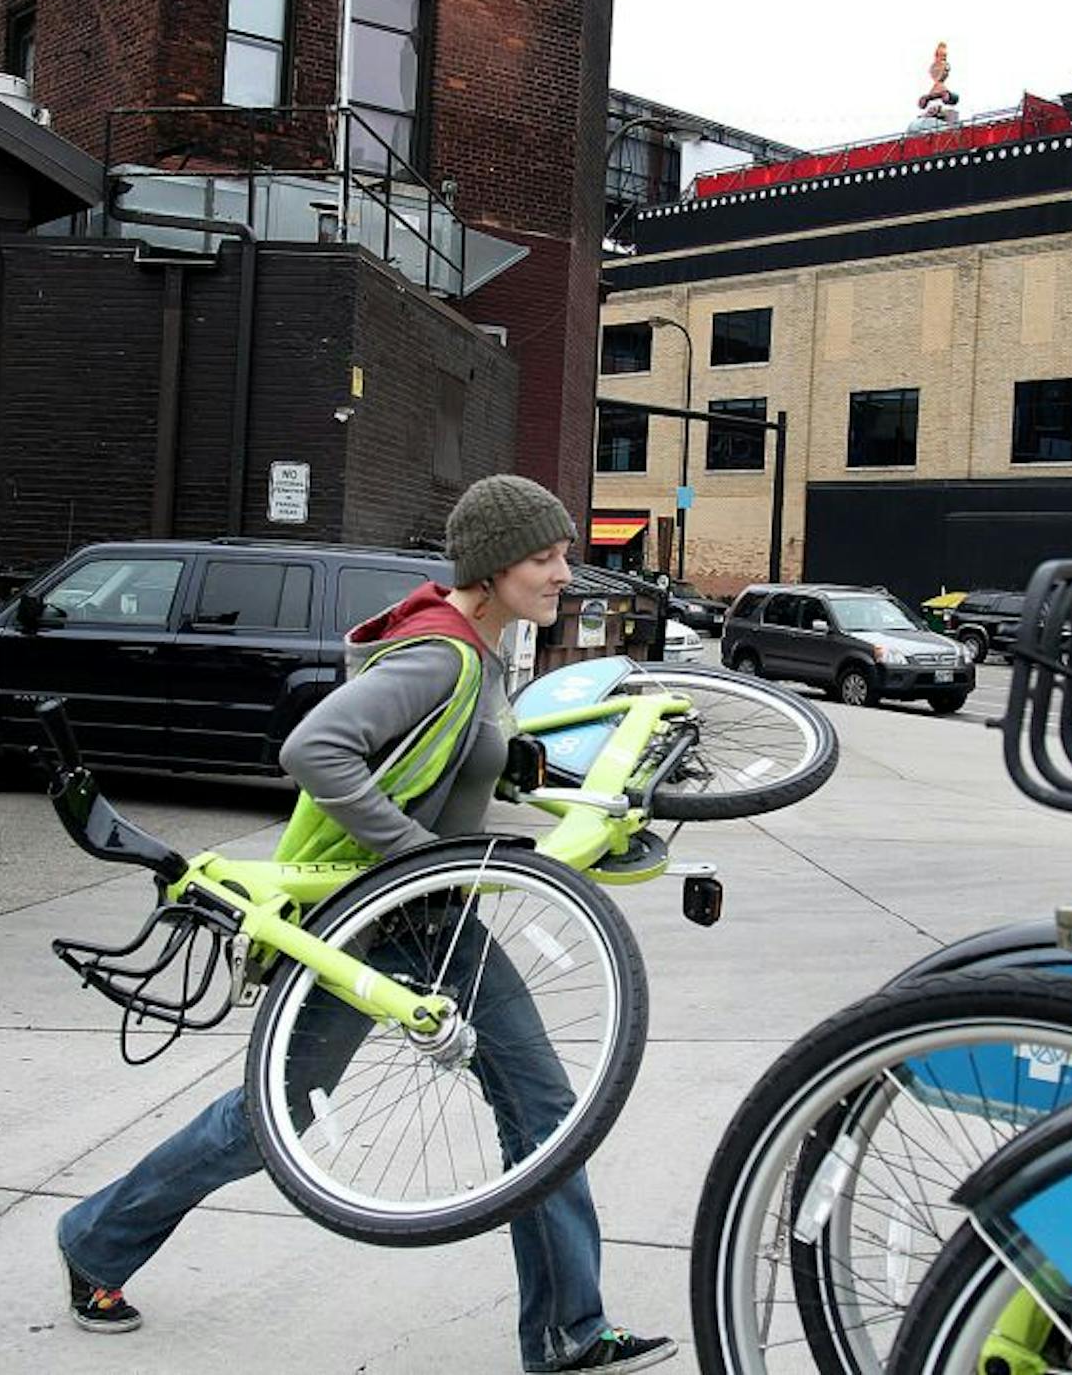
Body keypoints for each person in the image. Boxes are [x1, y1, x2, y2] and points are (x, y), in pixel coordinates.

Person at [55, 473, 677, 1373]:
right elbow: (312, 749)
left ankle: (567, 1330)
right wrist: (411, 853)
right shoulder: (443, 653)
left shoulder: (482, 651)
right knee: (273, 1119)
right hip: (375, 919)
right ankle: (96, 1239)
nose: (562, 573)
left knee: (546, 1113)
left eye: (563, 555)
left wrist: (510, 777)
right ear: (496, 564)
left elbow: (434, 763)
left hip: (440, 915)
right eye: (545, 557)